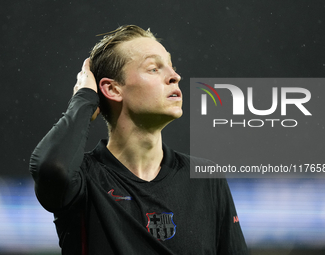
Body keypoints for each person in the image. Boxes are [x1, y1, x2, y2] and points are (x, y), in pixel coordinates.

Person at [29, 25, 248, 254]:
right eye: (154, 68)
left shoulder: (206, 178)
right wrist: (84, 99)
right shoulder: (84, 180)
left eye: (172, 67)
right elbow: (51, 168)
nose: (175, 76)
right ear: (112, 89)